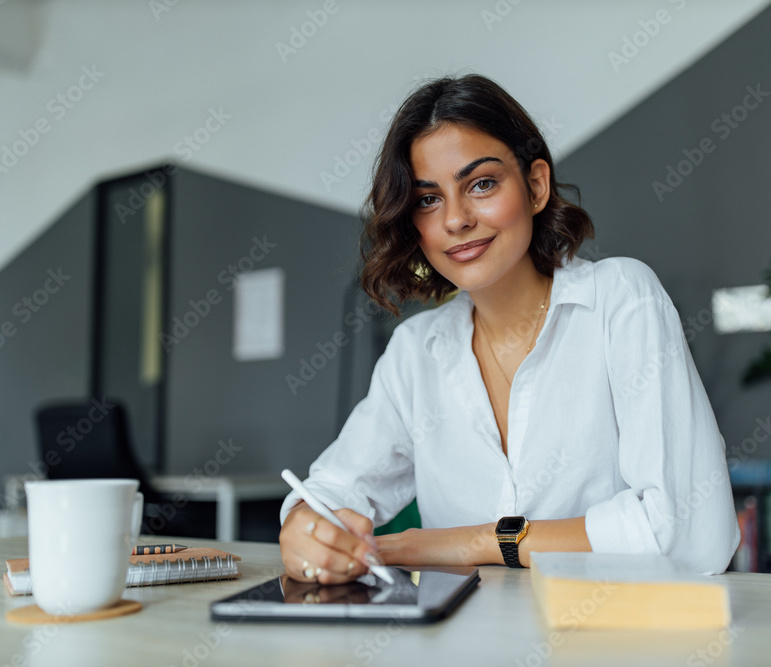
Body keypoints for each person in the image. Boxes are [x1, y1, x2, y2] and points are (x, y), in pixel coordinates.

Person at [279, 73, 740, 585]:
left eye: (481, 184)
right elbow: (333, 489)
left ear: (536, 186)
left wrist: (476, 542)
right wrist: (306, 525)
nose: (455, 219)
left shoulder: (619, 299)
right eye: (428, 199)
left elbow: (692, 534)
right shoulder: (416, 352)